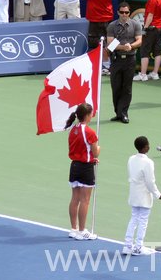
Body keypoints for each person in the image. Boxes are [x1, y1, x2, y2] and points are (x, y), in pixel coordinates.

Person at [123, 136, 161, 256]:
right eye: (148, 144)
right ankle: (138, 247)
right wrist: (158, 195)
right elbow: (150, 182)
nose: (149, 146)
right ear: (145, 147)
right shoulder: (148, 162)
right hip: (144, 196)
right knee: (142, 221)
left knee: (134, 218)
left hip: (134, 194)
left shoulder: (131, 159)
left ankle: (127, 246)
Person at [65, 103, 100, 241]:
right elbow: (95, 152)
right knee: (85, 201)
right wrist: (98, 151)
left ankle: (73, 229)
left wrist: (91, 158)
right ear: (87, 115)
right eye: (91, 113)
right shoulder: (90, 132)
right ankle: (82, 231)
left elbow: (81, 149)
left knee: (75, 199)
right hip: (86, 169)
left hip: (74, 166)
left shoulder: (73, 129)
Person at [107, 2, 142, 124]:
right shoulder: (112, 26)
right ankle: (118, 112)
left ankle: (124, 113)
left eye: (126, 12)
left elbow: (139, 41)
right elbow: (110, 44)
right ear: (118, 12)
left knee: (127, 88)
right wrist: (123, 47)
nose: (124, 14)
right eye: (122, 12)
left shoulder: (135, 25)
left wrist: (130, 46)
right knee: (116, 87)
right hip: (116, 60)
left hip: (130, 60)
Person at [133, 0, 161, 82]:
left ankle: (143, 74)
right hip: (159, 27)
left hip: (151, 28)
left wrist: (145, 28)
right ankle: (155, 73)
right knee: (157, 51)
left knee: (144, 51)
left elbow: (150, 16)